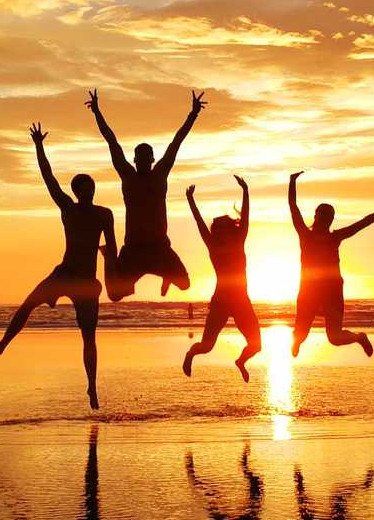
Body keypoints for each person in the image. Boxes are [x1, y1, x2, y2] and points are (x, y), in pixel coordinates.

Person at [0, 122, 116, 410]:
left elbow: (114, 249)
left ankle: (92, 388)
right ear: (77, 191)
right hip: (65, 273)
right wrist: (39, 147)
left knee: (89, 337)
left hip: (85, 282)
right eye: (84, 189)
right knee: (28, 304)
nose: (89, 192)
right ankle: (4, 343)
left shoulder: (104, 214)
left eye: (91, 188)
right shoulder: (68, 208)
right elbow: (49, 179)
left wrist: (112, 268)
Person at [86, 87, 205, 300]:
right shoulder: (129, 177)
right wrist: (96, 113)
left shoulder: (160, 174)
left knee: (185, 285)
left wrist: (193, 114)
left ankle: (166, 275)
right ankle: (109, 256)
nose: (141, 160)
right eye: (138, 157)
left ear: (151, 160)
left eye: (145, 157)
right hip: (134, 249)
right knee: (114, 295)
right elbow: (111, 142)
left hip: (160, 247)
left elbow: (176, 142)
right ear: (135, 161)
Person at [288, 171, 374, 357]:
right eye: (323, 216)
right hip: (309, 289)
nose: (324, 220)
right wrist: (292, 182)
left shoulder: (334, 237)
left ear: (328, 219)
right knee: (300, 335)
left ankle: (359, 337)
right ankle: (298, 340)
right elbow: (293, 207)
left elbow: (364, 222)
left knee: (334, 338)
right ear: (316, 216)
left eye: (327, 217)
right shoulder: (306, 235)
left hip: (331, 290)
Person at [182, 176, 261, 381]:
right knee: (206, 346)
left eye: (226, 227)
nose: (223, 231)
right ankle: (191, 353)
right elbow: (199, 223)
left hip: (241, 300)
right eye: (219, 229)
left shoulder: (239, 240)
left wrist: (245, 190)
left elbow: (245, 219)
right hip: (221, 301)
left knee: (256, 344)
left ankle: (241, 361)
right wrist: (190, 200)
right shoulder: (213, 246)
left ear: (231, 229)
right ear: (216, 232)